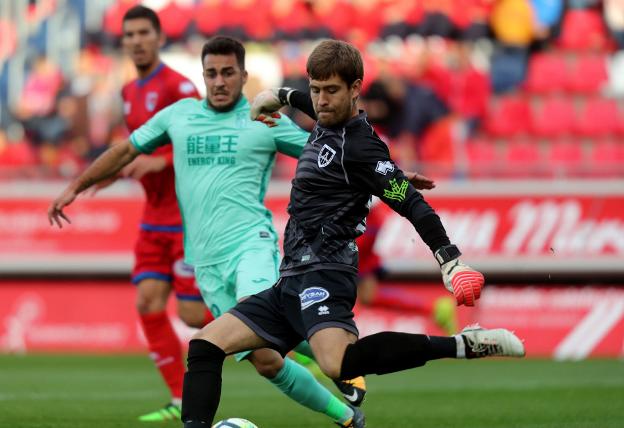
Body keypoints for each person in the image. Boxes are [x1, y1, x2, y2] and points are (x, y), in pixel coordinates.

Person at [177, 40, 526, 427]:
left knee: (337, 362)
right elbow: (310, 103)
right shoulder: (326, 117)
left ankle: (464, 344)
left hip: (326, 273)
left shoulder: (360, 148)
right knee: (205, 344)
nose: (321, 100)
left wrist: (451, 262)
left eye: (331, 91)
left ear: (355, 88)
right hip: (288, 280)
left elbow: (411, 202)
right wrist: (277, 96)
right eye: (316, 89)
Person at [48, 36, 368, 428]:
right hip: (206, 262)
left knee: (264, 323)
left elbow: (333, 154)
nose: (219, 81)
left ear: (243, 76)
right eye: (212, 73)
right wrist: (74, 187)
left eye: (228, 73)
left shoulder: (264, 120)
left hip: (252, 246)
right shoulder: (177, 116)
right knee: (266, 361)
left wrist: (393, 177)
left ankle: (345, 359)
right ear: (202, 76)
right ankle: (347, 415)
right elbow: (126, 150)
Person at [101, 6, 212, 422]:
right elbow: (133, 151)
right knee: (147, 302)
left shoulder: (179, 86)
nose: (136, 40)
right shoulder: (129, 92)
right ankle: (179, 398)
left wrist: (161, 161)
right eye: (129, 34)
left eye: (143, 32)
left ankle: (275, 335)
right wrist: (101, 178)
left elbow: (203, 142)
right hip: (152, 218)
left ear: (159, 37)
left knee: (189, 313)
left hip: (184, 218)